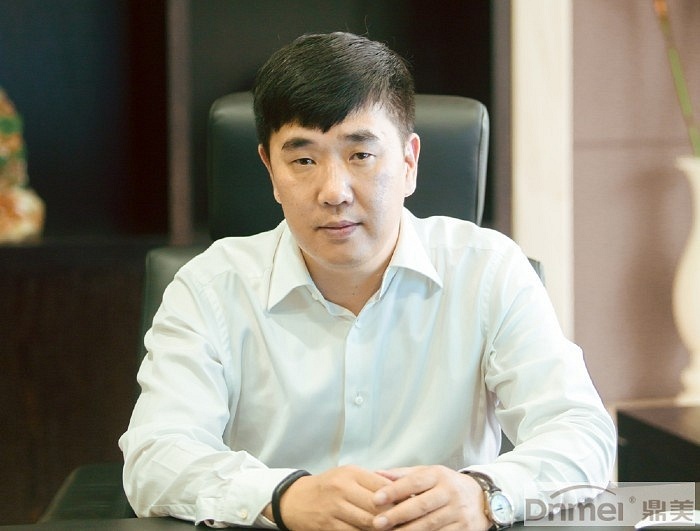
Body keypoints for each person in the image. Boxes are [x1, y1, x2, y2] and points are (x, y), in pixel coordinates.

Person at [119, 32, 616, 530]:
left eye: (361, 155)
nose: (334, 192)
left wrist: (484, 493)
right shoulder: (209, 287)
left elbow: (580, 432)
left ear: (408, 162)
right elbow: (155, 455)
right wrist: (283, 497)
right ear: (270, 170)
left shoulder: (488, 271)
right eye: (304, 160)